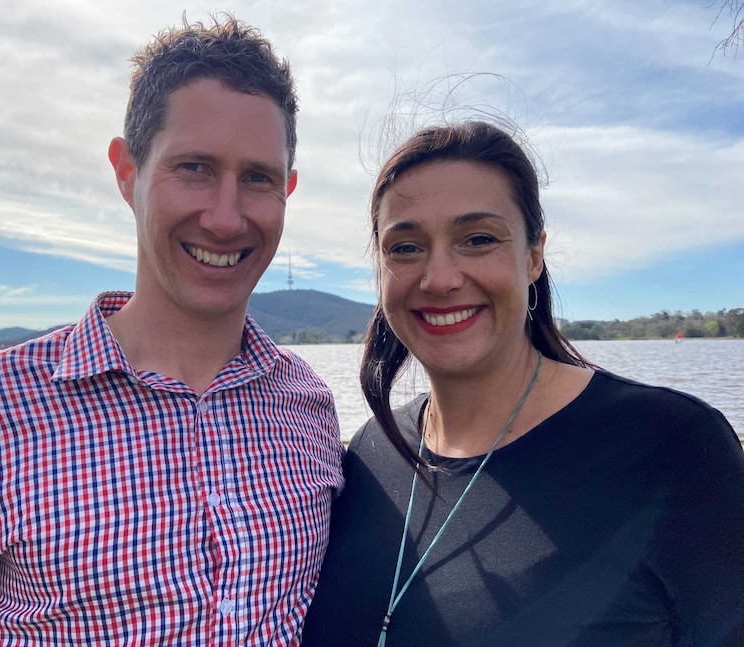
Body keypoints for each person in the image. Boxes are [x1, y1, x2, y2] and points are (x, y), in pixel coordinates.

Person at [0, 15, 344, 645]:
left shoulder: (309, 412)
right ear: (127, 172)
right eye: (195, 168)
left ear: (287, 190)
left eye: (258, 178)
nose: (226, 217)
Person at [302, 121, 744, 646]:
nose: (439, 278)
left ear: (534, 256)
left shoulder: (673, 448)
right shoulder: (371, 454)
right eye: (405, 247)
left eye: (478, 239)